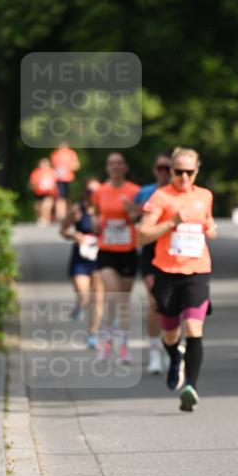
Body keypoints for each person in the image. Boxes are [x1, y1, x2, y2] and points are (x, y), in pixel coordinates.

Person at [137, 147, 217, 411]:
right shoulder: (160, 197)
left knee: (194, 329)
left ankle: (190, 387)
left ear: (197, 171)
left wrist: (212, 228)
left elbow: (208, 222)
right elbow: (142, 235)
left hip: (197, 271)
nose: (184, 177)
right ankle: (174, 357)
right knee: (170, 334)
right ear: (170, 171)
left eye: (189, 172)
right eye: (178, 171)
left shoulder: (204, 196)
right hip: (167, 273)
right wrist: (171, 222)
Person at [91, 153, 140, 363]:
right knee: (113, 294)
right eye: (112, 163)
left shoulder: (134, 191)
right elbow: (95, 214)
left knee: (123, 300)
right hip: (107, 250)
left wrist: (131, 211)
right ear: (107, 168)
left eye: (119, 163)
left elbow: (139, 218)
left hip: (128, 251)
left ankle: (124, 347)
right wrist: (95, 223)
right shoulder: (100, 191)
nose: (116, 166)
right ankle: (107, 342)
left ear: (125, 167)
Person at [132, 153, 172, 374]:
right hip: (151, 252)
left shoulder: (181, 194)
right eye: (160, 168)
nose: (164, 172)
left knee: (173, 304)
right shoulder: (146, 192)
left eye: (168, 168)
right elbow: (134, 218)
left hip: (175, 253)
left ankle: (170, 345)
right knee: (155, 302)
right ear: (154, 170)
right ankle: (155, 351)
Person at [59, 178, 104, 348]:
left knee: (98, 298)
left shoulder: (106, 210)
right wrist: (74, 235)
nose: (93, 195)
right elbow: (63, 230)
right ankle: (80, 304)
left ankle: (92, 333)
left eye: (97, 192)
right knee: (85, 296)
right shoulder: (78, 210)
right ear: (85, 193)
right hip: (81, 258)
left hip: (100, 257)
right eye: (90, 191)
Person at [50, 142, 81, 221]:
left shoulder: (71, 153)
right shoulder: (55, 154)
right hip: (58, 179)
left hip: (68, 179)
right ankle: (61, 215)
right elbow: (53, 167)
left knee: (67, 197)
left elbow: (76, 165)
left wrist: (68, 167)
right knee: (60, 197)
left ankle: (68, 214)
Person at [28, 159, 57, 225]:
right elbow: (32, 182)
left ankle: (46, 219)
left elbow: (56, 182)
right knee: (38, 206)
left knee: (46, 205)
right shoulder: (36, 172)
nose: (44, 165)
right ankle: (39, 218)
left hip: (49, 192)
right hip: (39, 192)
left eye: (45, 164)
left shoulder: (52, 171)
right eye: (42, 164)